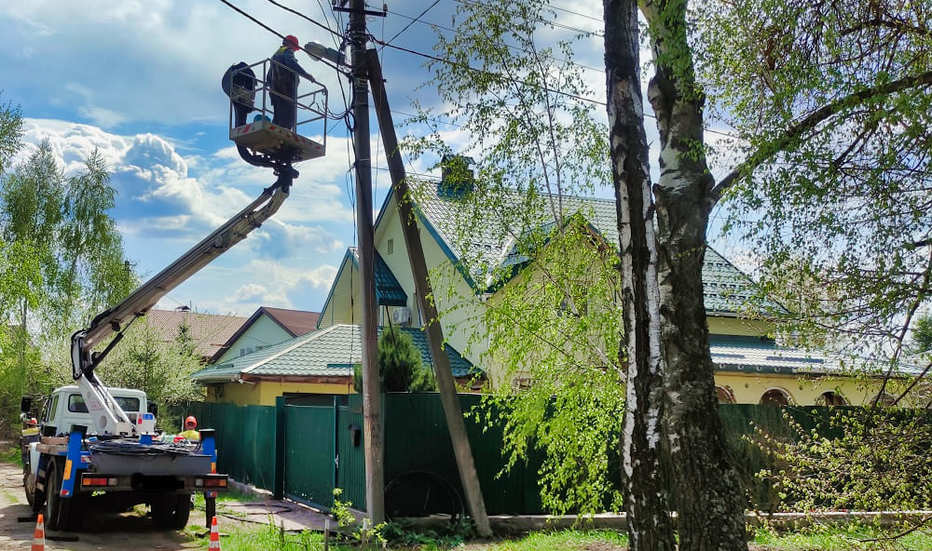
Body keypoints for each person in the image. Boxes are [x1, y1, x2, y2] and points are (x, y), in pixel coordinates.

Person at [269, 35, 317, 131]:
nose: (294, 51)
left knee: (278, 116)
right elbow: (291, 62)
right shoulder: (287, 51)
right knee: (287, 116)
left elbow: (269, 74)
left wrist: (269, 84)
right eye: (294, 48)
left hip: (275, 90)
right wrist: (306, 74)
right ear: (291, 44)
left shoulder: (276, 54)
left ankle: (274, 133)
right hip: (285, 89)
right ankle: (283, 133)